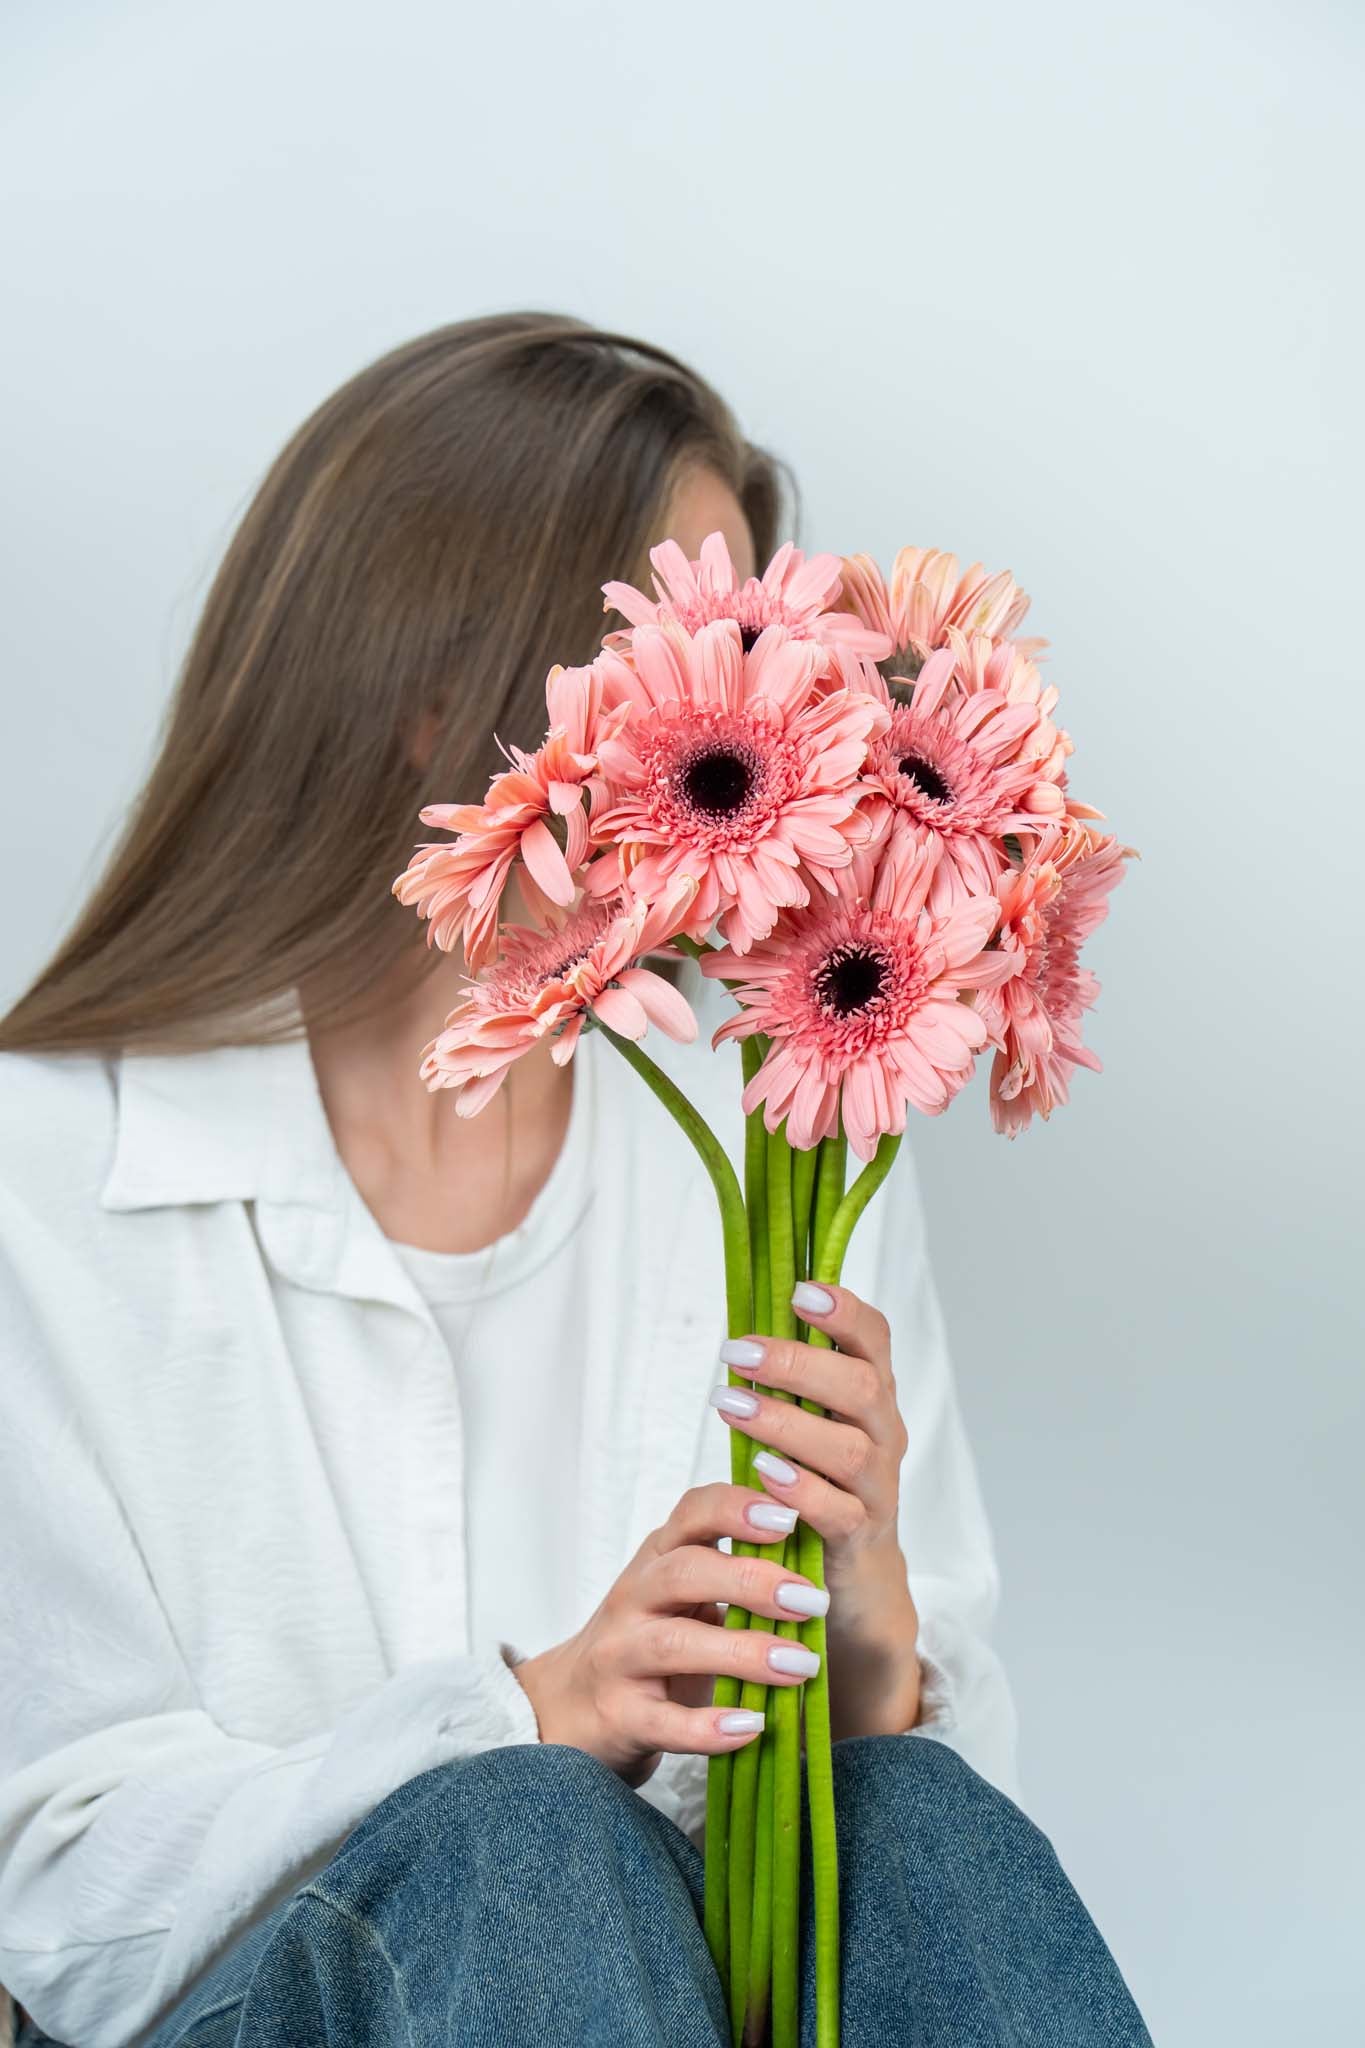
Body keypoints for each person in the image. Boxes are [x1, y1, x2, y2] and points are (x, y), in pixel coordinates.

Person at [0, 313, 1152, 2047]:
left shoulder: (788, 1117)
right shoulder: (39, 1177)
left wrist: (868, 1656)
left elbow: (912, 1925)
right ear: (426, 694)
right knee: (528, 1840)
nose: (768, 716)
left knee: (912, 1818)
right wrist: (521, 1719)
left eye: (766, 649)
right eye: (694, 653)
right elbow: (54, 1892)